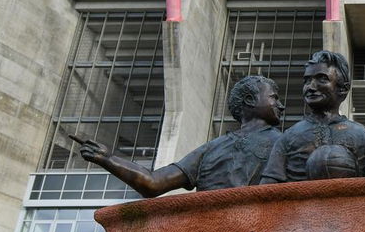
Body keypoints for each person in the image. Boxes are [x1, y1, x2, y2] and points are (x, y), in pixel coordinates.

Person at [76, 75, 283, 194]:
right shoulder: (286, 143)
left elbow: (153, 182)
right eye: (274, 98)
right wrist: (107, 158)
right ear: (249, 100)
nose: (281, 105)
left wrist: (108, 158)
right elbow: (154, 184)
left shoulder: (211, 148)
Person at [258, 51, 365, 183]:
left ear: (343, 89)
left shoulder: (362, 134)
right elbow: (268, 187)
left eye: (322, 79)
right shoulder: (289, 136)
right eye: (307, 80)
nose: (310, 87)